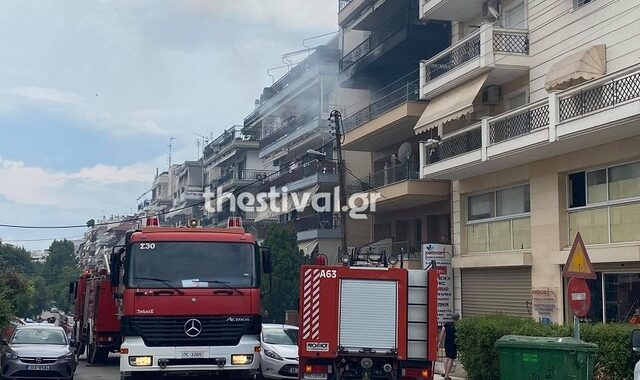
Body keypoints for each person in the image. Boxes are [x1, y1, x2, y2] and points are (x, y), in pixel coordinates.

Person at [438, 313, 460, 380]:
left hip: (447, 343)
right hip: (453, 344)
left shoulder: (446, 324)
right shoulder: (457, 326)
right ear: (458, 318)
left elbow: (442, 332)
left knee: (446, 357)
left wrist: (440, 342)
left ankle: (444, 371)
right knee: (451, 359)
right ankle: (446, 376)